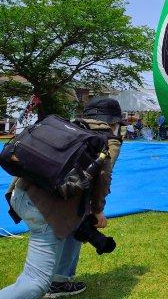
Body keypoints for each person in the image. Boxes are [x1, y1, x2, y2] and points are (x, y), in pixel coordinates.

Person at [0, 97, 125, 298]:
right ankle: (49, 284)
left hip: (19, 194)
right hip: (44, 210)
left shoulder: (67, 126)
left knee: (75, 224)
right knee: (35, 283)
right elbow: (103, 177)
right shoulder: (107, 141)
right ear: (112, 121)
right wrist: (98, 210)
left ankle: (59, 282)